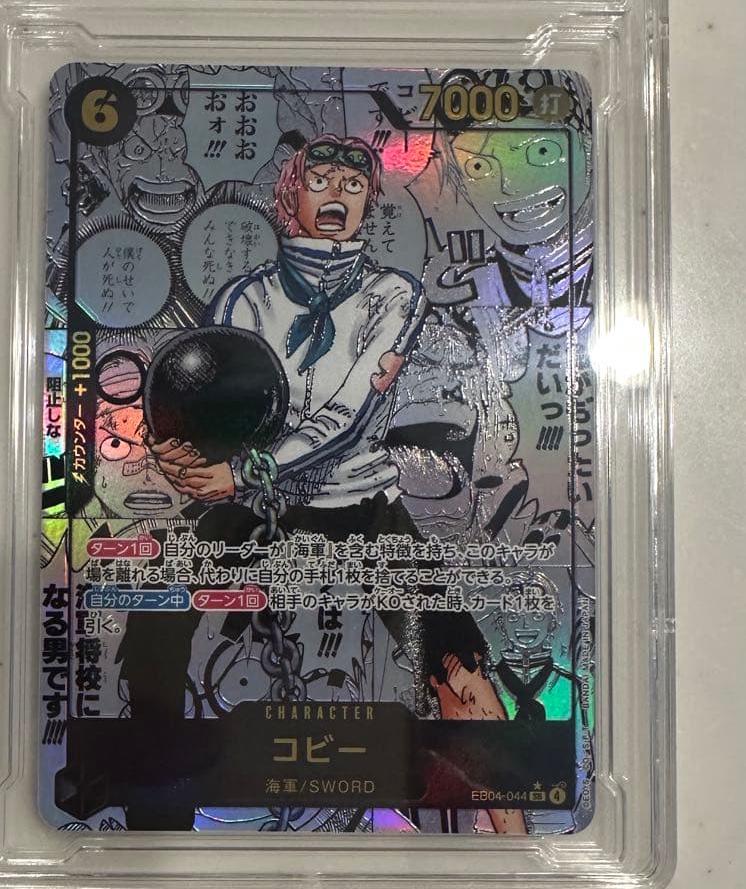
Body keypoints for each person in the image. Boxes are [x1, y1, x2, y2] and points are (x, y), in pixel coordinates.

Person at [118, 135, 525, 833]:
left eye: (354, 186)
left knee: (457, 660)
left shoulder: (393, 296)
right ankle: (153, 832)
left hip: (360, 504)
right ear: (290, 197)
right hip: (254, 507)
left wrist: (242, 470)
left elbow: (348, 414)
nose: (338, 195)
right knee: (154, 615)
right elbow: (212, 402)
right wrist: (177, 455)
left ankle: (519, 840)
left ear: (369, 205)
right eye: (322, 181)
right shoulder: (244, 297)